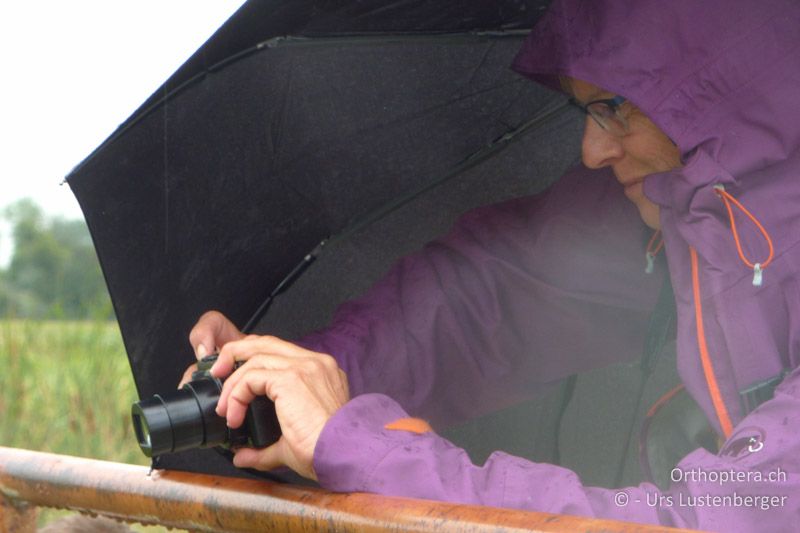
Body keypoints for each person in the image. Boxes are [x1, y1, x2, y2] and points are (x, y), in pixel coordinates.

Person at [182, 0, 800, 529]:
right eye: (584, 111)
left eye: (615, 106)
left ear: (721, 94)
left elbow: (713, 521)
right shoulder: (681, 208)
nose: (591, 151)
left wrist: (361, 451)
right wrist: (288, 379)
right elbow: (488, 299)